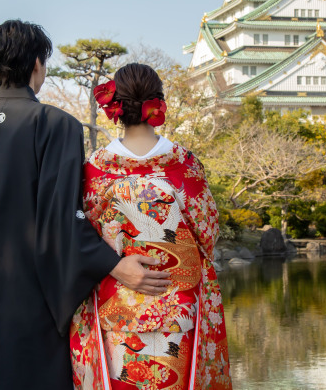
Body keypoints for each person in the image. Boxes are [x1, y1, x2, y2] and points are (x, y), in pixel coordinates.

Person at [0, 21, 171, 389]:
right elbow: (64, 217)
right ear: (38, 64)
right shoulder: (57, 125)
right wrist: (114, 265)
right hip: (33, 293)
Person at [70, 63, 232, 390]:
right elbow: (207, 233)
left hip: (116, 311)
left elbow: (81, 239)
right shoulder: (183, 164)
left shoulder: (95, 169)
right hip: (177, 311)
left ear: (116, 107)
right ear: (158, 102)